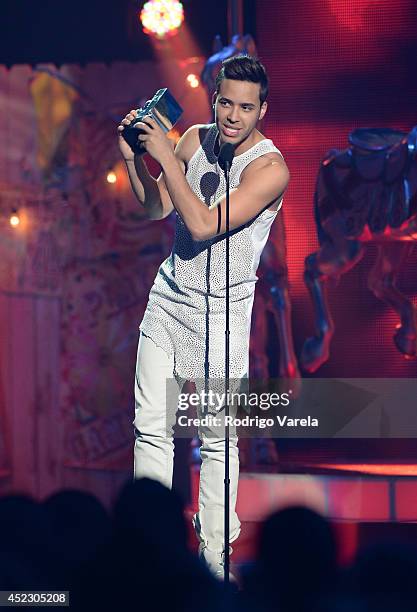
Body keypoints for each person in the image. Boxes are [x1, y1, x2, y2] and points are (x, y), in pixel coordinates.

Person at [117, 55, 290, 578]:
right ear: (214, 99)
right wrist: (133, 159)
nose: (233, 116)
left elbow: (202, 223)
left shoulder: (270, 168)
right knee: (151, 426)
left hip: (223, 316)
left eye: (246, 107)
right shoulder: (194, 139)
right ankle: (148, 551)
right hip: (170, 299)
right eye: (225, 103)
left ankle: (214, 561)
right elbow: (157, 210)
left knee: (215, 440)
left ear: (262, 109)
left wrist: (166, 155)